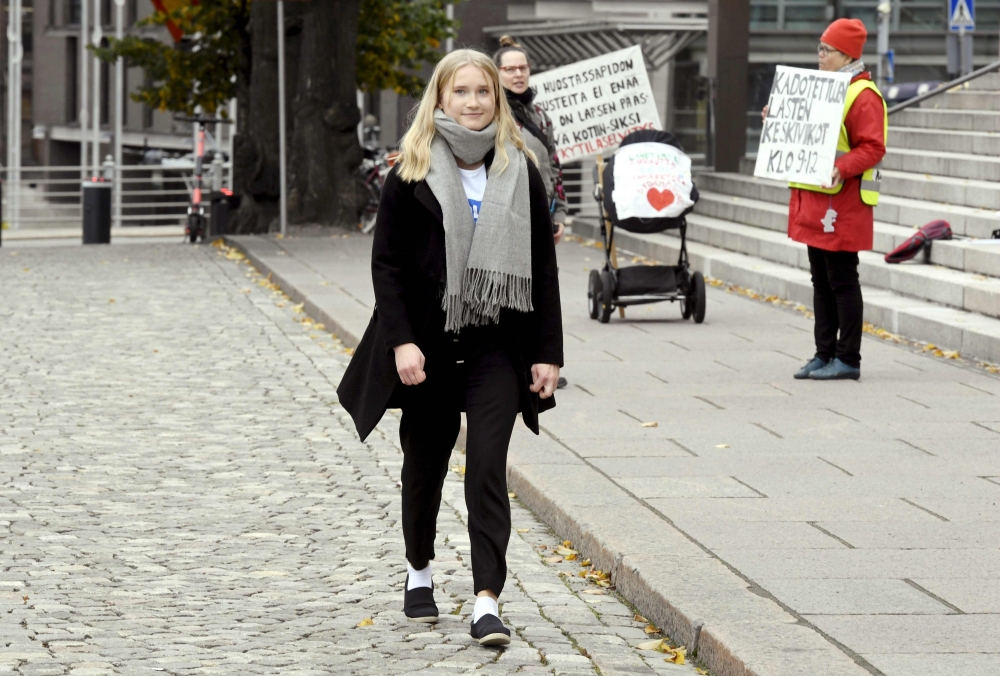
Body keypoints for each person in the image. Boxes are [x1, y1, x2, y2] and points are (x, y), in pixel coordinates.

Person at [336, 49, 563, 647]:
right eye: (460, 91)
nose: (473, 101)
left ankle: (487, 601)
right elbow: (387, 267)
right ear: (440, 99)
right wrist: (402, 343)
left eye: (483, 91)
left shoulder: (518, 169)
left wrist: (548, 352)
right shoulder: (410, 171)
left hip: (496, 345)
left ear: (497, 98)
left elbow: (542, 267)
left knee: (487, 467)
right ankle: (419, 571)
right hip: (429, 346)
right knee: (424, 467)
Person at [764, 18, 886, 381]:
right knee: (821, 279)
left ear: (847, 55)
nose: (819, 55)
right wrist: (777, 119)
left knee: (842, 280)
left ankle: (847, 358)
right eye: (819, 47)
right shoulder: (820, 88)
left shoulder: (862, 95)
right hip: (817, 197)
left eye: (827, 49)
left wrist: (842, 167)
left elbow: (873, 147)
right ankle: (824, 353)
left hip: (843, 200)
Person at [494, 35, 570, 389]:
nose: (518, 74)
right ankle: (518, 362)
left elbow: (554, 165)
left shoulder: (540, 116)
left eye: (522, 68)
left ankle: (543, 358)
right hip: (509, 214)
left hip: (543, 214)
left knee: (543, 287)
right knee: (515, 287)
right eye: (510, 69)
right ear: (497, 72)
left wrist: (561, 214)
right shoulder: (494, 113)